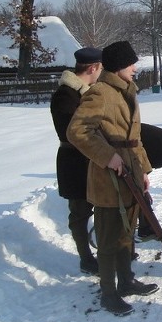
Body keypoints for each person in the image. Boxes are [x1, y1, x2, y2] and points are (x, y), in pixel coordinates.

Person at [67, 40, 158, 317]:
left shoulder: (127, 91)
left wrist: (143, 170)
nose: (135, 68)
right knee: (108, 239)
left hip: (130, 174)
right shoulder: (101, 93)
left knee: (126, 234)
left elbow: (135, 139)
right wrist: (108, 156)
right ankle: (108, 293)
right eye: (131, 63)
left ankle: (127, 281)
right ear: (119, 65)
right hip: (109, 179)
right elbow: (77, 131)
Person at [50, 47, 103, 275]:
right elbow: (72, 131)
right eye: (100, 68)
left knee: (104, 207)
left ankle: (107, 251)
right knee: (80, 213)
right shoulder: (66, 95)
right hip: (74, 162)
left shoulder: (87, 92)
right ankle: (86, 258)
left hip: (91, 159)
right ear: (92, 68)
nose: (100, 72)